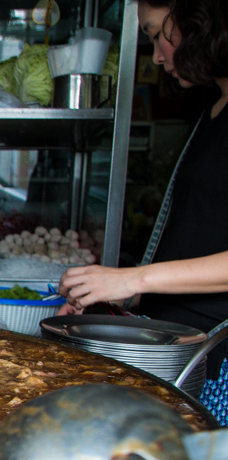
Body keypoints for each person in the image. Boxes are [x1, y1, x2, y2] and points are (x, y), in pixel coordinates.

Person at [57, 0, 228, 399]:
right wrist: (118, 296)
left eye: (156, 33)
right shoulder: (213, 109)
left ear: (199, 18)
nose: (157, 55)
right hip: (181, 357)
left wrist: (132, 278)